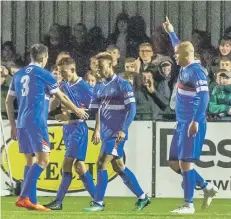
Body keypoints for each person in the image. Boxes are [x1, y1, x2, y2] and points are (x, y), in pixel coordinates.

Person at [5, 44, 88, 211]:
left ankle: (32, 201)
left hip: (21, 123)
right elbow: (62, 97)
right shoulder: (45, 74)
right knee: (44, 160)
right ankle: (23, 197)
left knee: (31, 160)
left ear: (31, 56)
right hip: (36, 122)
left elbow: (8, 101)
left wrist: (13, 125)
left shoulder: (19, 74)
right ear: (44, 58)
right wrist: (77, 110)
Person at [163, 17, 218, 214]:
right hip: (181, 123)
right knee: (173, 163)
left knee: (185, 163)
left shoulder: (197, 72)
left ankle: (189, 205)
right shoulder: (185, 66)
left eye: (177, 54)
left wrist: (195, 120)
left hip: (191, 124)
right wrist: (171, 31)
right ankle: (206, 187)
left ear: (187, 55)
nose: (174, 55)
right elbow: (178, 44)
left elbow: (204, 96)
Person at [83, 52, 150, 212]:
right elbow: (93, 109)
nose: (98, 71)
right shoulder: (98, 86)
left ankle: (98, 202)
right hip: (106, 133)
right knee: (119, 167)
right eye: (97, 68)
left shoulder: (122, 84)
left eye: (101, 67)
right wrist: (74, 111)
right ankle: (142, 197)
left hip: (116, 133)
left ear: (111, 65)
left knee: (101, 163)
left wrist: (123, 129)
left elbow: (131, 109)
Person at [44, 57, 95, 210]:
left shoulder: (84, 87)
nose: (61, 75)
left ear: (73, 70)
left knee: (66, 165)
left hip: (78, 129)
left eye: (64, 72)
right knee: (79, 167)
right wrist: (56, 94)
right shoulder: (64, 86)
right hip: (68, 129)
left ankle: (58, 201)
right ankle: (98, 200)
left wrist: (71, 113)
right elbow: (51, 109)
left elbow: (94, 110)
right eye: (59, 72)